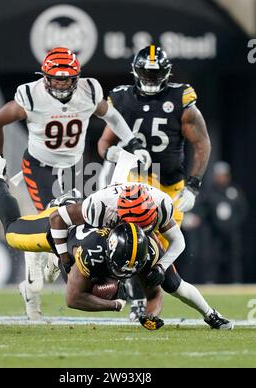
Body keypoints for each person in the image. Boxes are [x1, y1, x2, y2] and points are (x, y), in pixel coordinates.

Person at [0, 156, 233, 329]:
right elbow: (59, 221)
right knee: (14, 234)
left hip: (117, 241)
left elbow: (178, 243)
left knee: (170, 282)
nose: (138, 229)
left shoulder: (161, 205)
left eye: (145, 225)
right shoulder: (99, 208)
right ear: (119, 216)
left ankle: (212, 314)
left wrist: (162, 267)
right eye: (133, 224)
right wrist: (64, 257)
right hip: (72, 229)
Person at [0, 47, 151, 313]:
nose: (62, 83)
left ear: (77, 77)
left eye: (67, 78)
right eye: (56, 78)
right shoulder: (31, 95)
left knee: (72, 227)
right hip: (40, 167)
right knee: (59, 222)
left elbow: (110, 114)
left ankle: (36, 273)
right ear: (44, 76)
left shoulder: (88, 91)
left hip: (74, 166)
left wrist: (131, 140)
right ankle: (36, 272)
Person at [97, 44, 211, 319]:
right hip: (137, 180)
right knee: (134, 241)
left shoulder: (180, 99)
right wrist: (111, 153)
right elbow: (104, 143)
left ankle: (146, 296)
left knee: (160, 249)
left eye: (156, 74)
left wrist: (193, 185)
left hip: (171, 185)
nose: (150, 79)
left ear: (167, 73)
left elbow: (201, 142)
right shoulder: (122, 99)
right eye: (145, 74)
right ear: (135, 73)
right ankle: (136, 299)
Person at [204, 162, 248, 283]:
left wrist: (233, 224)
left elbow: (242, 210)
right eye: (218, 175)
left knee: (234, 257)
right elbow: (204, 210)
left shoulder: (234, 191)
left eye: (223, 175)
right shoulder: (210, 192)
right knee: (213, 257)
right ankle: (211, 281)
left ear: (228, 176)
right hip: (215, 231)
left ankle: (235, 281)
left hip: (232, 231)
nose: (221, 178)